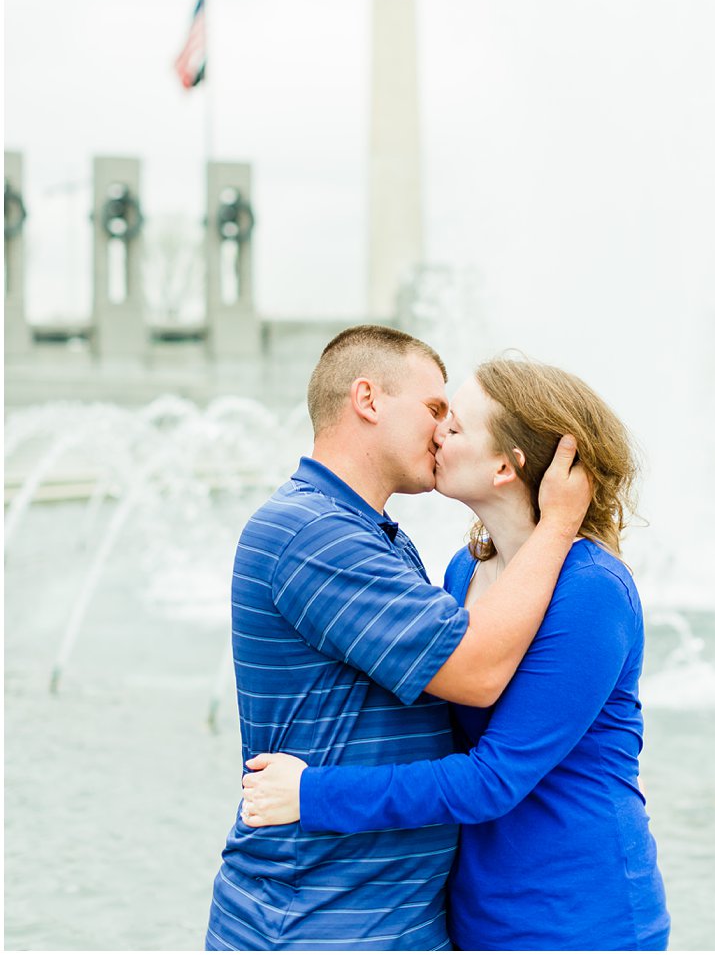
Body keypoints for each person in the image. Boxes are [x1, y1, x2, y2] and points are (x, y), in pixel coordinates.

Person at [240, 356, 671, 952]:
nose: (437, 431)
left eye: (456, 424)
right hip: (473, 913)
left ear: (504, 465)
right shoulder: (463, 567)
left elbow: (492, 779)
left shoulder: (592, 590)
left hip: (576, 915)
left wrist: (313, 793)